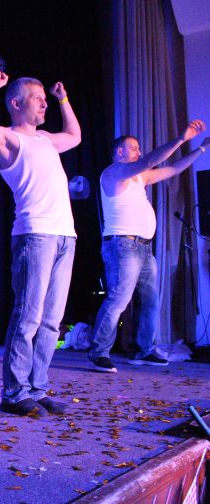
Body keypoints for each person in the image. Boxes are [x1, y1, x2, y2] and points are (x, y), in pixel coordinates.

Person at [0, 70, 80, 416]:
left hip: (65, 235)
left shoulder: (45, 139)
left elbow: (74, 136)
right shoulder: (9, 138)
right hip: (34, 234)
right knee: (28, 316)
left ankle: (37, 389)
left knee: (51, 321)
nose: (44, 103)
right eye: (37, 98)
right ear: (16, 103)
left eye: (45, 98)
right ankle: (14, 393)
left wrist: (63, 99)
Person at [89, 124, 208, 373]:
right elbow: (150, 161)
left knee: (150, 301)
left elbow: (173, 169)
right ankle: (99, 351)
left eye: (139, 149)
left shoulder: (139, 178)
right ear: (119, 152)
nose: (139, 152)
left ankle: (142, 350)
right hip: (122, 245)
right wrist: (180, 138)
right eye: (134, 148)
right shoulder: (113, 173)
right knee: (118, 299)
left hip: (143, 247)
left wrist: (201, 149)